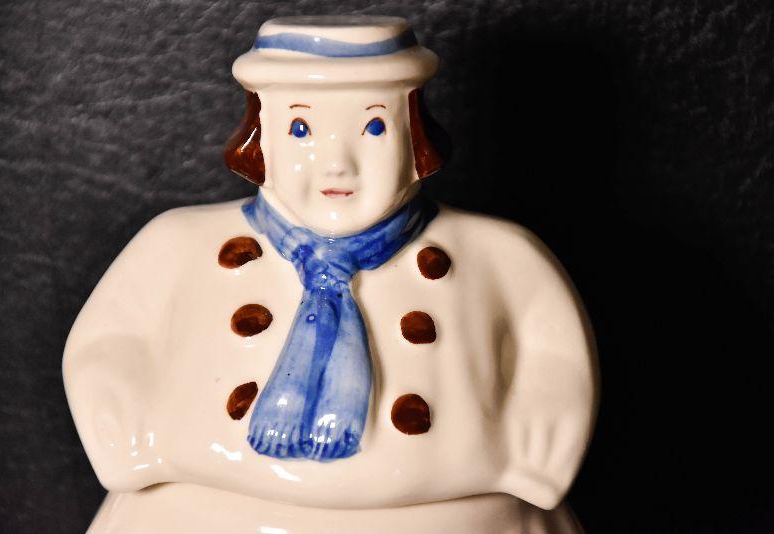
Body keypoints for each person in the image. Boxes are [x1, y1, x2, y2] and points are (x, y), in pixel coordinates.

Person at [64, 16, 598, 533]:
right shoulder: (176, 245)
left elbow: (555, 355)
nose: (337, 163)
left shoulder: (501, 255)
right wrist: (127, 442)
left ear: (416, 135)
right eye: (301, 129)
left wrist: (535, 454)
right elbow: (108, 342)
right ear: (260, 138)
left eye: (373, 127)